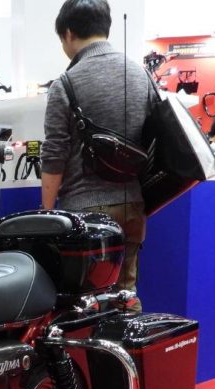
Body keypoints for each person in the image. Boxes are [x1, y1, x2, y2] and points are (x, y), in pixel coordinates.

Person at [40, 0, 158, 310]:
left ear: (68, 33)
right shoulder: (141, 74)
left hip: (85, 210)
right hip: (132, 204)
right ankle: (131, 339)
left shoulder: (66, 83)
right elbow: (157, 136)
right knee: (126, 295)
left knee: (85, 304)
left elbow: (54, 153)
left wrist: (47, 213)